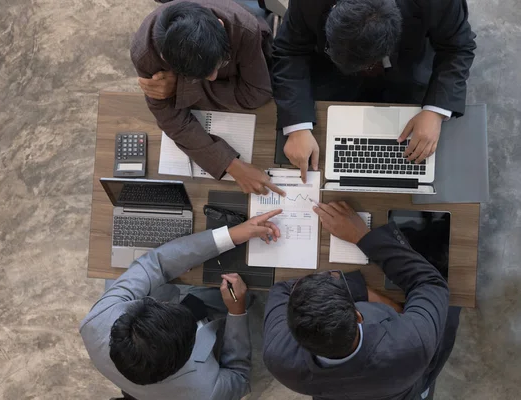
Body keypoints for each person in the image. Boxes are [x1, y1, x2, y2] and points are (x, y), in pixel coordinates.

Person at [263, 201, 460, 400]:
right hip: (406, 385)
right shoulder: (412, 343)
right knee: (453, 296)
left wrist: (360, 290)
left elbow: (283, 289)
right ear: (358, 316)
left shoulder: (279, 358)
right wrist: (362, 237)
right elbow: (432, 284)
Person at [80, 209, 282, 400]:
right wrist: (236, 312)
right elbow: (239, 375)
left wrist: (230, 236)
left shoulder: (97, 323)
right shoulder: (206, 393)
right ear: (186, 354)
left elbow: (154, 264)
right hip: (219, 321)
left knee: (121, 266)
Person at [272, 0, 477, 179]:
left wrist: (435, 111)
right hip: (334, 75)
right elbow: (289, 50)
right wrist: (297, 126)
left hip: (407, 67)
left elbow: (458, 47)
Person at [131, 0, 282, 196]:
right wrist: (230, 164)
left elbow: (258, 93)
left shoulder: (243, 28)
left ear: (220, 25)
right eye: (202, 75)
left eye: (221, 62)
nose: (212, 77)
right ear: (166, 59)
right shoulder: (145, 54)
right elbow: (171, 120)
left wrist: (179, 88)